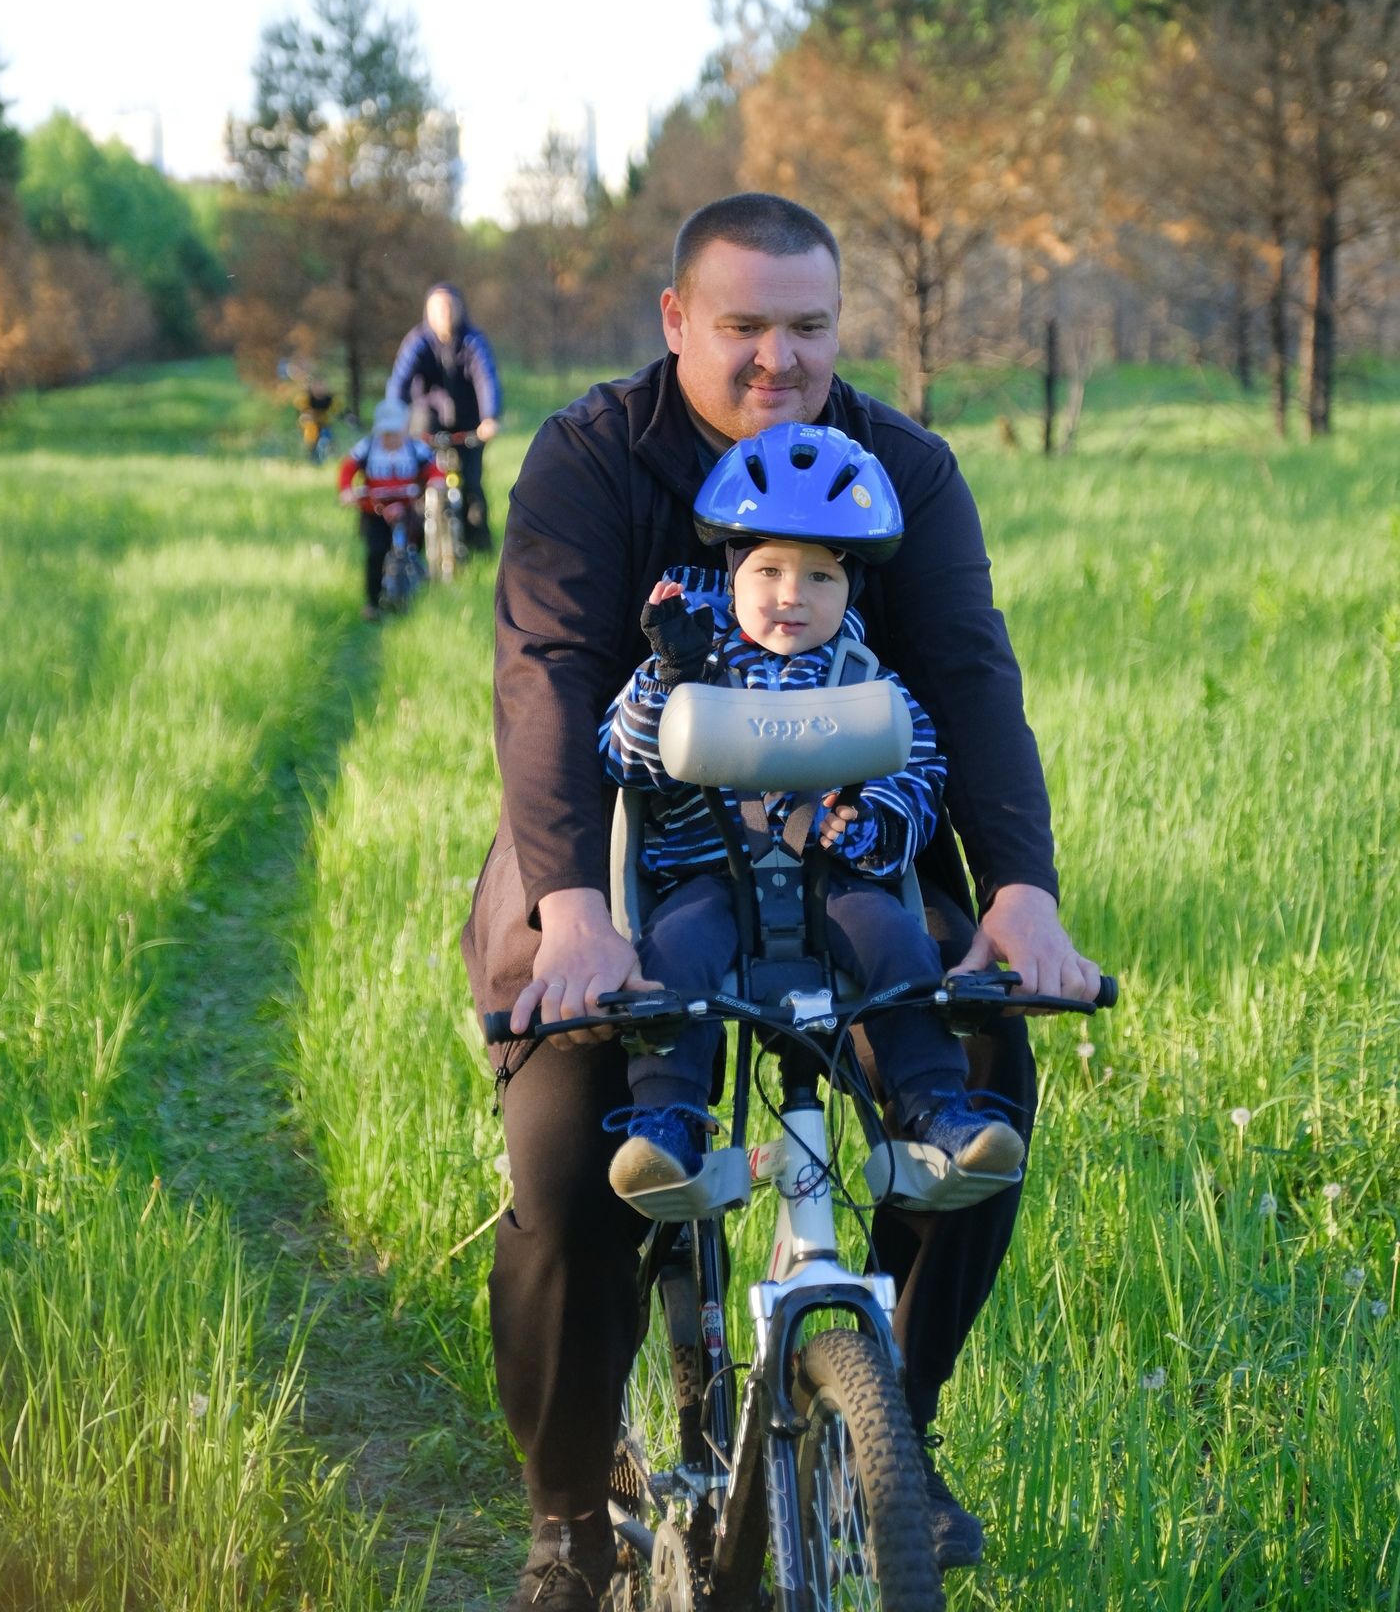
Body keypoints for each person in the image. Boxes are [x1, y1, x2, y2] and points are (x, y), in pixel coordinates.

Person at [464, 192, 1101, 1608]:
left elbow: (969, 681)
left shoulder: (905, 466)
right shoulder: (591, 456)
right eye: (743, 326)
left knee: (986, 1066)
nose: (779, 360)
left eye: (808, 327)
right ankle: (569, 1514)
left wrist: (1022, 895)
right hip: (625, 848)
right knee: (572, 1154)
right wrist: (569, 908)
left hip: (846, 845)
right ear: (678, 319)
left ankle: (895, 1430)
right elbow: (546, 681)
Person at [599, 422, 1027, 1203]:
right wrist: (667, 676)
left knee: (902, 949)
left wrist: (867, 829)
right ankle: (666, 1124)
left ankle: (939, 1112)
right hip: (709, 875)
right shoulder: (694, 663)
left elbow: (920, 773)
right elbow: (621, 757)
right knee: (674, 955)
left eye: (822, 578)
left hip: (834, 878)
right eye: (767, 571)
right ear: (730, 574)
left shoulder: (864, 678)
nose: (792, 595)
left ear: (853, 588)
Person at [387, 282, 501, 553]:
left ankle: (479, 549)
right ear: (428, 312)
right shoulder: (417, 342)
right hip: (429, 421)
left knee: (471, 483)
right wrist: (393, 419)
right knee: (419, 484)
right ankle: (415, 548)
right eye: (438, 309)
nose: (444, 314)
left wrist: (490, 417)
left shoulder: (473, 341)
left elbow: (487, 378)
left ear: (461, 310)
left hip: (469, 424)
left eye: (450, 307)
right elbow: (400, 382)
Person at [337, 396, 439, 620]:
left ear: (404, 429)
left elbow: (434, 468)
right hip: (375, 509)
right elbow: (347, 469)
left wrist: (435, 481)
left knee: (418, 533)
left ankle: (416, 571)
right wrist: (346, 491)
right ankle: (372, 602)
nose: (390, 438)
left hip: (407, 506)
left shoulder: (415, 448)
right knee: (375, 552)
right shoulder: (367, 447)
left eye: (395, 432)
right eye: (386, 433)